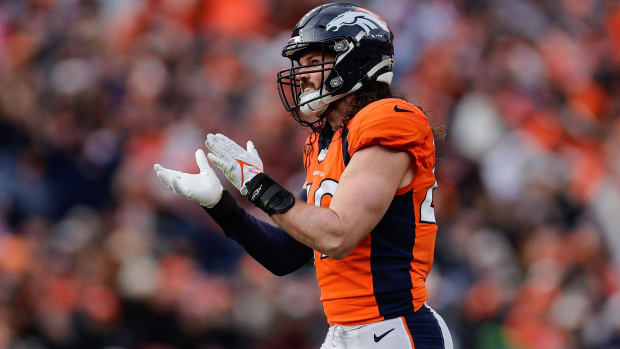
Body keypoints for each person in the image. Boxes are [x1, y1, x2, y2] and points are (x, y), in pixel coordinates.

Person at [154, 3, 453, 348]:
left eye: (314, 62)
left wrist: (257, 185)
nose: (303, 75)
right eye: (301, 64)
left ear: (356, 59)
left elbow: (338, 236)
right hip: (346, 331)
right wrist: (222, 206)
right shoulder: (325, 140)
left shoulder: (389, 119)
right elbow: (286, 255)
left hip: (395, 329)